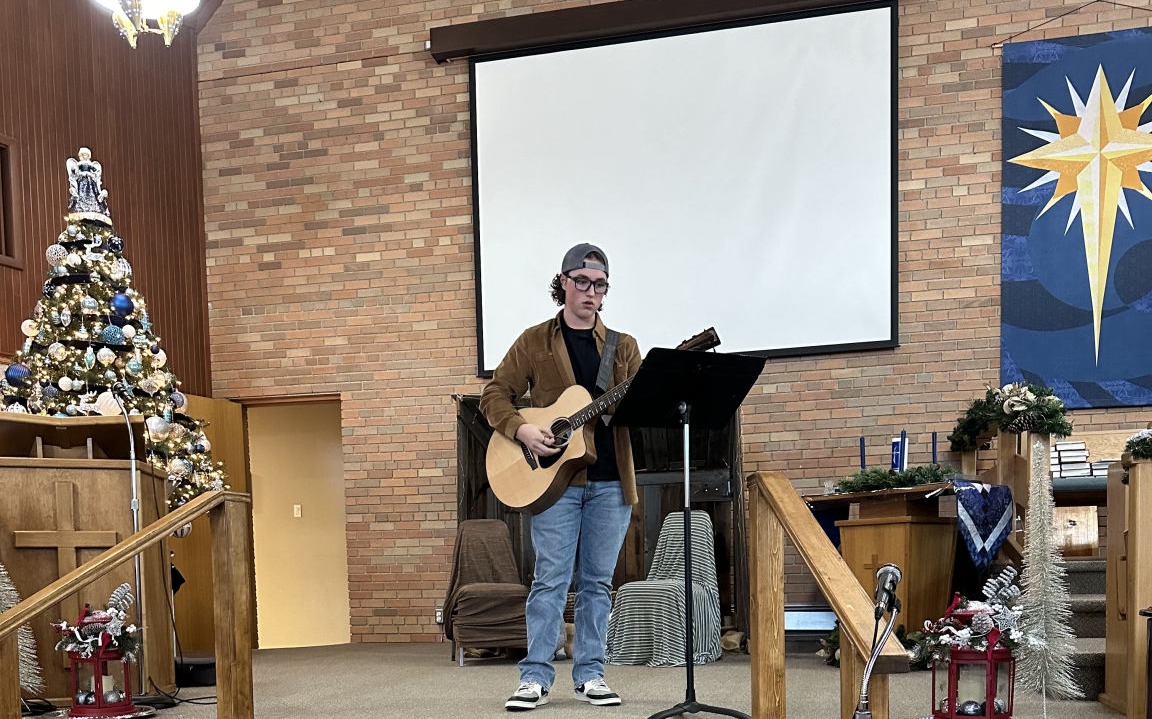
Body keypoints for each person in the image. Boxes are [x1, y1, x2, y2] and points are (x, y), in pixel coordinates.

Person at [480, 243, 641, 712]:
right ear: (564, 283)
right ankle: (534, 676)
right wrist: (523, 430)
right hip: (553, 483)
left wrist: (641, 393)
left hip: (611, 480)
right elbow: (496, 395)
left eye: (601, 285)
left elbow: (633, 408)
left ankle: (591, 674)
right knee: (549, 580)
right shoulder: (534, 341)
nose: (593, 293)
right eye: (584, 282)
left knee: (597, 583)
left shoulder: (623, 347)